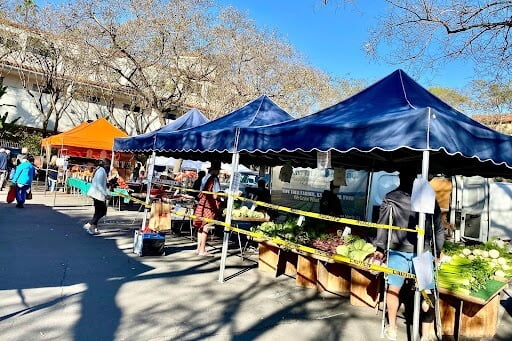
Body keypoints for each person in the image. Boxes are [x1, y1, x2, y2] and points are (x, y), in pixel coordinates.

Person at [373, 169, 444, 341]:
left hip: (397, 250)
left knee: (394, 289)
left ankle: (392, 328)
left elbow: (383, 225)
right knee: (427, 291)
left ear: (399, 179)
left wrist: (380, 249)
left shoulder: (390, 197)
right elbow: (438, 228)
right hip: (423, 251)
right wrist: (438, 250)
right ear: (415, 180)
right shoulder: (428, 198)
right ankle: (425, 336)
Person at [192, 160, 222, 256]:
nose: (219, 172)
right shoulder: (215, 179)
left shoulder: (205, 177)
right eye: (218, 170)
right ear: (215, 170)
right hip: (210, 204)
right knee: (206, 226)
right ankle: (202, 250)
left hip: (202, 202)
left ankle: (198, 248)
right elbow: (215, 196)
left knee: (200, 225)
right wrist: (223, 195)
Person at [83, 159, 111, 235]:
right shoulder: (101, 171)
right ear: (106, 165)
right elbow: (99, 185)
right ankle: (89, 224)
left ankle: (93, 228)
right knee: (102, 211)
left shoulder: (100, 170)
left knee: (97, 211)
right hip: (97, 194)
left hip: (97, 193)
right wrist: (105, 194)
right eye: (108, 165)